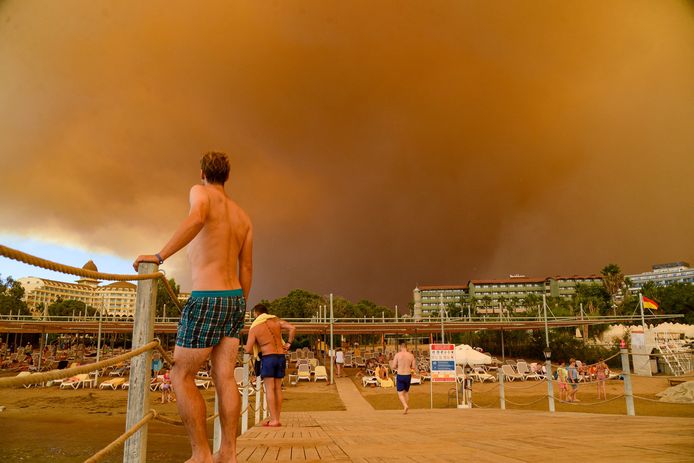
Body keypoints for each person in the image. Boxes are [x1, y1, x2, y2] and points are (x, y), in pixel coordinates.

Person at [133, 151, 252, 463]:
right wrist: (240, 307)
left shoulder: (200, 193)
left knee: (182, 375)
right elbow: (247, 269)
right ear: (228, 175)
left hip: (207, 297)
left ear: (202, 172)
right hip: (235, 300)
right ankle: (229, 453)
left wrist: (159, 257)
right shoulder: (243, 216)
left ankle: (201, 455)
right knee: (225, 375)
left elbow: (198, 217)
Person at [244, 303, 296, 427]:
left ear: (256, 313)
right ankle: (276, 418)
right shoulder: (276, 321)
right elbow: (293, 328)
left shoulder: (255, 327)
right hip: (280, 356)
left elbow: (248, 349)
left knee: (269, 389)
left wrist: (257, 351)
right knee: (278, 388)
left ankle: (273, 420)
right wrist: (288, 343)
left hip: (268, 357)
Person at [390, 342, 416, 414]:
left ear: (401, 347)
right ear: (406, 347)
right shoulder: (411, 355)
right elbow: (413, 367)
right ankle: (406, 406)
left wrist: (399, 365)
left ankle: (405, 406)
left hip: (400, 374)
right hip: (408, 375)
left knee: (400, 393)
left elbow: (393, 366)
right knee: (406, 392)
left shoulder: (397, 355)